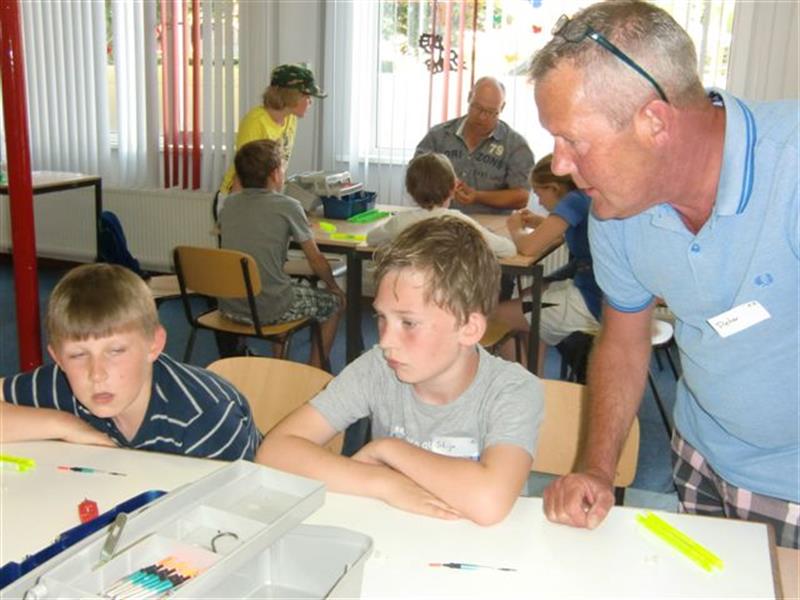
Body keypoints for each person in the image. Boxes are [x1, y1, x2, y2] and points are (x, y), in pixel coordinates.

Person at [529, 1, 799, 548]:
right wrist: (597, 468)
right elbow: (625, 339)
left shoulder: (789, 167)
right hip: (700, 455)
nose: (558, 165)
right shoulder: (617, 207)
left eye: (573, 140)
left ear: (655, 122)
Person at [257, 216, 543, 525]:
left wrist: (388, 449)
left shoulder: (513, 389)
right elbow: (274, 452)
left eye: (408, 323)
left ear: (469, 328)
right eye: (381, 317)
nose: (385, 341)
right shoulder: (378, 369)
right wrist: (384, 483)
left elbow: (489, 503)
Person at [0, 263, 262, 460]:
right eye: (78, 355)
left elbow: (236, 507)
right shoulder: (63, 384)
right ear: (58, 358)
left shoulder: (204, 418)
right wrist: (65, 425)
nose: (96, 374)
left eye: (115, 351)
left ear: (154, 345)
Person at [218, 139, 345, 368]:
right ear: (275, 174)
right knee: (334, 303)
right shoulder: (288, 206)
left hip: (229, 307)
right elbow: (316, 259)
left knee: (280, 286)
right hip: (270, 308)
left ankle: (278, 363)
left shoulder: (229, 205)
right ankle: (313, 370)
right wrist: (333, 286)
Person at [494, 154, 602, 373]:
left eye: (539, 193)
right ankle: (535, 377)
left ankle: (526, 384)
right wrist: (539, 222)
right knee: (528, 298)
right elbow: (566, 231)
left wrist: (515, 228)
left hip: (591, 301)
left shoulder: (573, 200)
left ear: (554, 188)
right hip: (596, 292)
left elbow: (528, 247)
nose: (540, 201)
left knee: (498, 316)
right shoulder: (584, 196)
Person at [414, 77, 535, 215]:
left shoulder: (516, 145)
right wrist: (444, 184)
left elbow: (522, 197)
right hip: (440, 218)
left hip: (490, 223)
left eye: (491, 112)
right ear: (469, 97)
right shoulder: (438, 135)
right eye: (477, 108)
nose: (482, 117)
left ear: (502, 107)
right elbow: (415, 175)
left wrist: (477, 196)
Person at [366, 152, 516, 258]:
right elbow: (508, 250)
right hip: (454, 291)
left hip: (412, 287)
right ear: (453, 188)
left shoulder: (400, 222)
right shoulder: (462, 223)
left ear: (410, 190)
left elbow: (371, 239)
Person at [218, 63, 325, 198]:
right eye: (307, 96)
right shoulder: (256, 122)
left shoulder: (291, 118)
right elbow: (242, 173)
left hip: (263, 195)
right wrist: (236, 207)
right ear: (292, 96)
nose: (310, 102)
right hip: (239, 196)